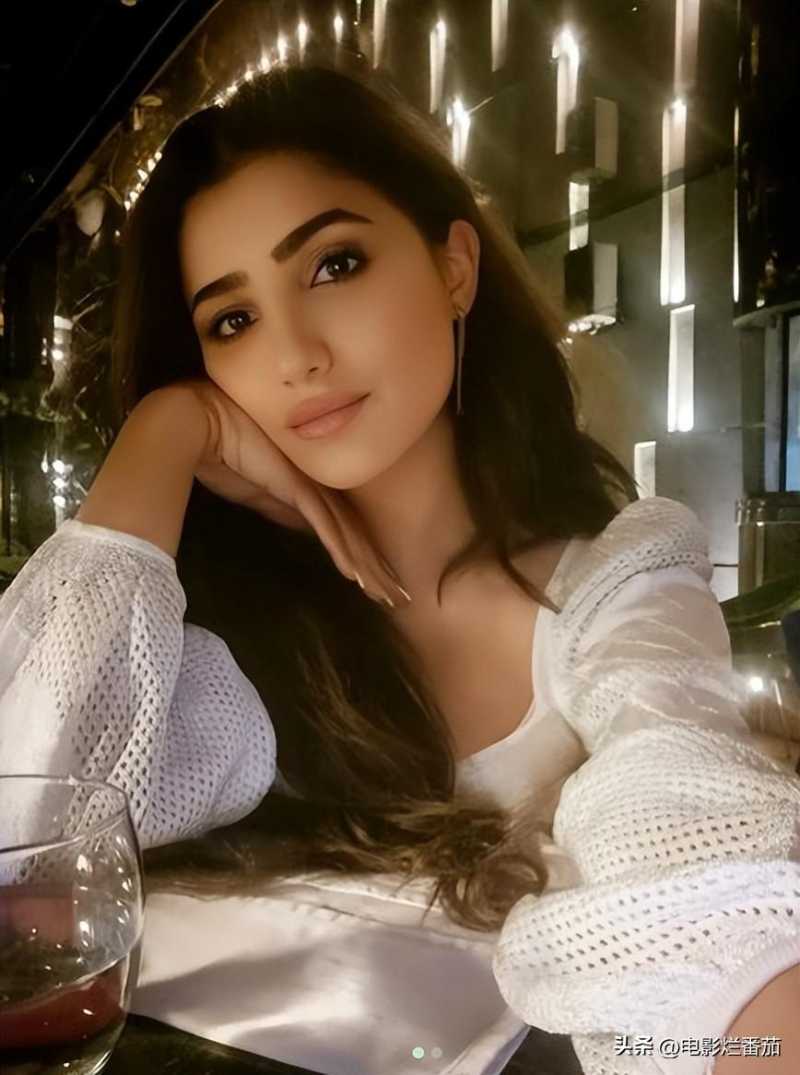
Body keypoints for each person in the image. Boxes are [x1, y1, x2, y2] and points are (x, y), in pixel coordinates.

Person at [1, 59, 799, 1075]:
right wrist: (161, 433)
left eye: (333, 265)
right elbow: (22, 837)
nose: (295, 354)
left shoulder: (613, 587)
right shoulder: (226, 635)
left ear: (453, 267)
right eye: (231, 320)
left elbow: (693, 856)